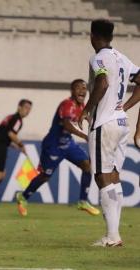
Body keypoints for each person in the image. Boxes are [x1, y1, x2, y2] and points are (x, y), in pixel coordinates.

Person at [78, 19, 140, 247]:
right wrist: (124, 106)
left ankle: (112, 237)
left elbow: (102, 83)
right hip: (122, 123)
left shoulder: (99, 57)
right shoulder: (122, 58)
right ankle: (114, 235)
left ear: (93, 36)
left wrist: (86, 110)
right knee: (113, 176)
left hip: (104, 123)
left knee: (102, 177)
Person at [15, 79, 100, 217]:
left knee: (87, 166)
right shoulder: (67, 104)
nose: (82, 91)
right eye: (78, 88)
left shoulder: (81, 105)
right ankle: (23, 197)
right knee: (45, 176)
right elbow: (66, 125)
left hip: (68, 144)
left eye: (84, 88)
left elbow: (85, 117)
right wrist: (84, 136)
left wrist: (92, 123)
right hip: (53, 146)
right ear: (72, 91)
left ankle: (83, 201)